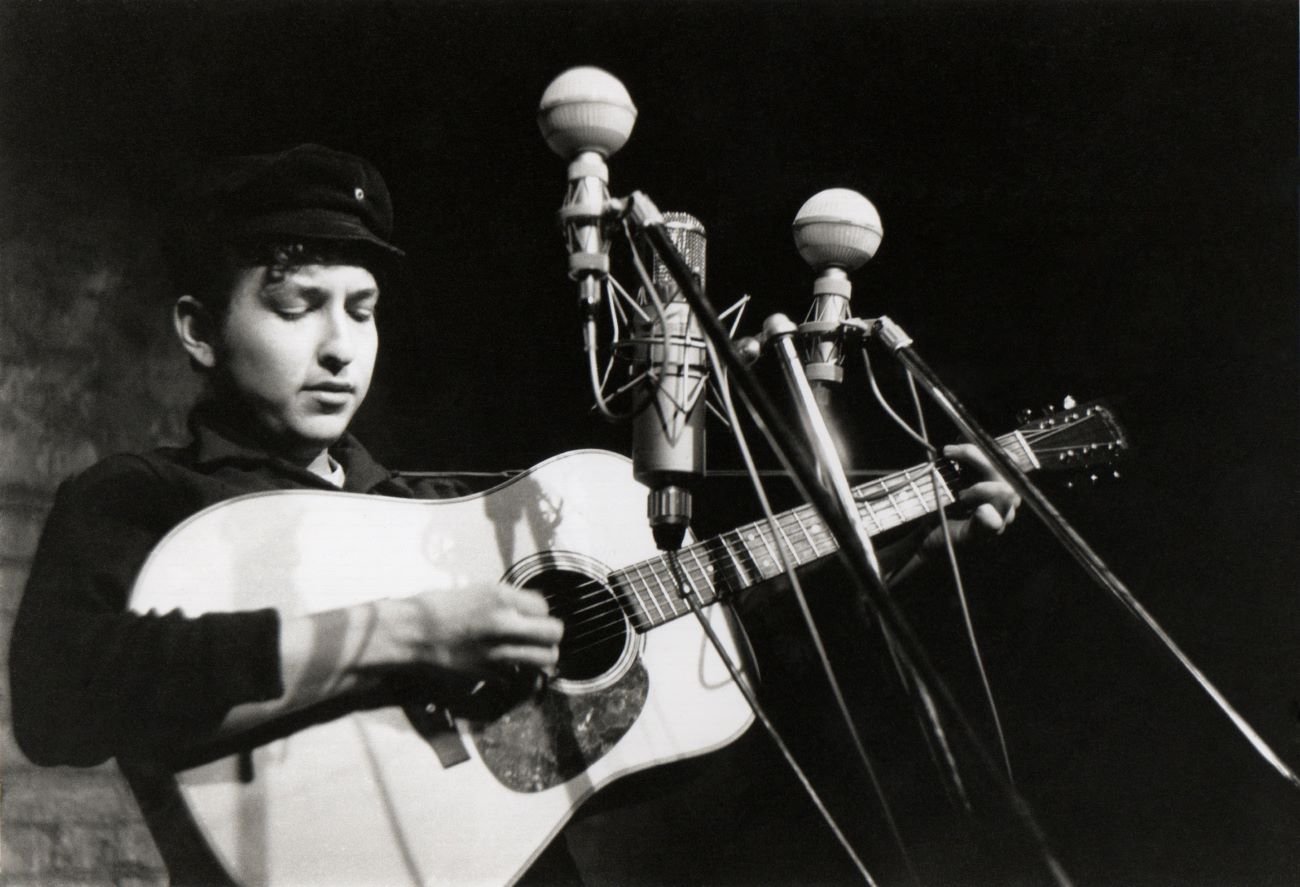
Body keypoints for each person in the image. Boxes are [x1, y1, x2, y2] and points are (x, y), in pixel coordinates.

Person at [7, 143, 1020, 885]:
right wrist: (397, 632)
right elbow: (61, 700)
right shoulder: (143, 498)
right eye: (295, 303)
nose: (338, 346)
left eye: (360, 310)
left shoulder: (444, 514)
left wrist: (892, 549)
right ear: (197, 327)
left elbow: (705, 647)